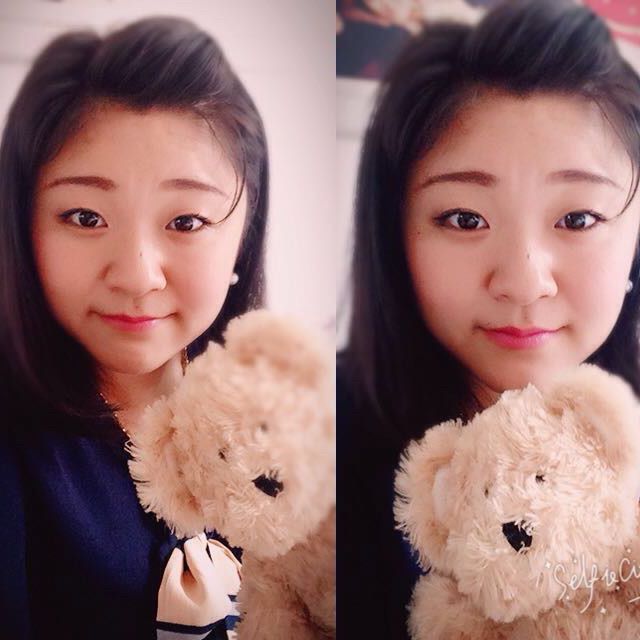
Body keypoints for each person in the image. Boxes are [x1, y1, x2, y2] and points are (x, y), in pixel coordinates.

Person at [338, 0, 640, 637]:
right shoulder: (316, 441)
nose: (524, 283)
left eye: (578, 218)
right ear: (395, 233)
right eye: (464, 218)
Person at [0, 16, 267, 640]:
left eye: (187, 222)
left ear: (244, 237)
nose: (137, 276)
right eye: (85, 216)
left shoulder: (287, 423)